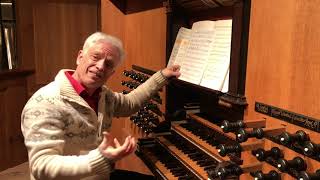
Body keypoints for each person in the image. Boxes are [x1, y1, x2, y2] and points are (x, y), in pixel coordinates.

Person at [21, 32, 181, 180]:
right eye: (95, 57)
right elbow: (41, 166)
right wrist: (101, 159)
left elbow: (130, 103)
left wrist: (162, 76)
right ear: (80, 57)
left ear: (111, 72)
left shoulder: (103, 95)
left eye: (108, 64)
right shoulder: (45, 102)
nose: (100, 66)